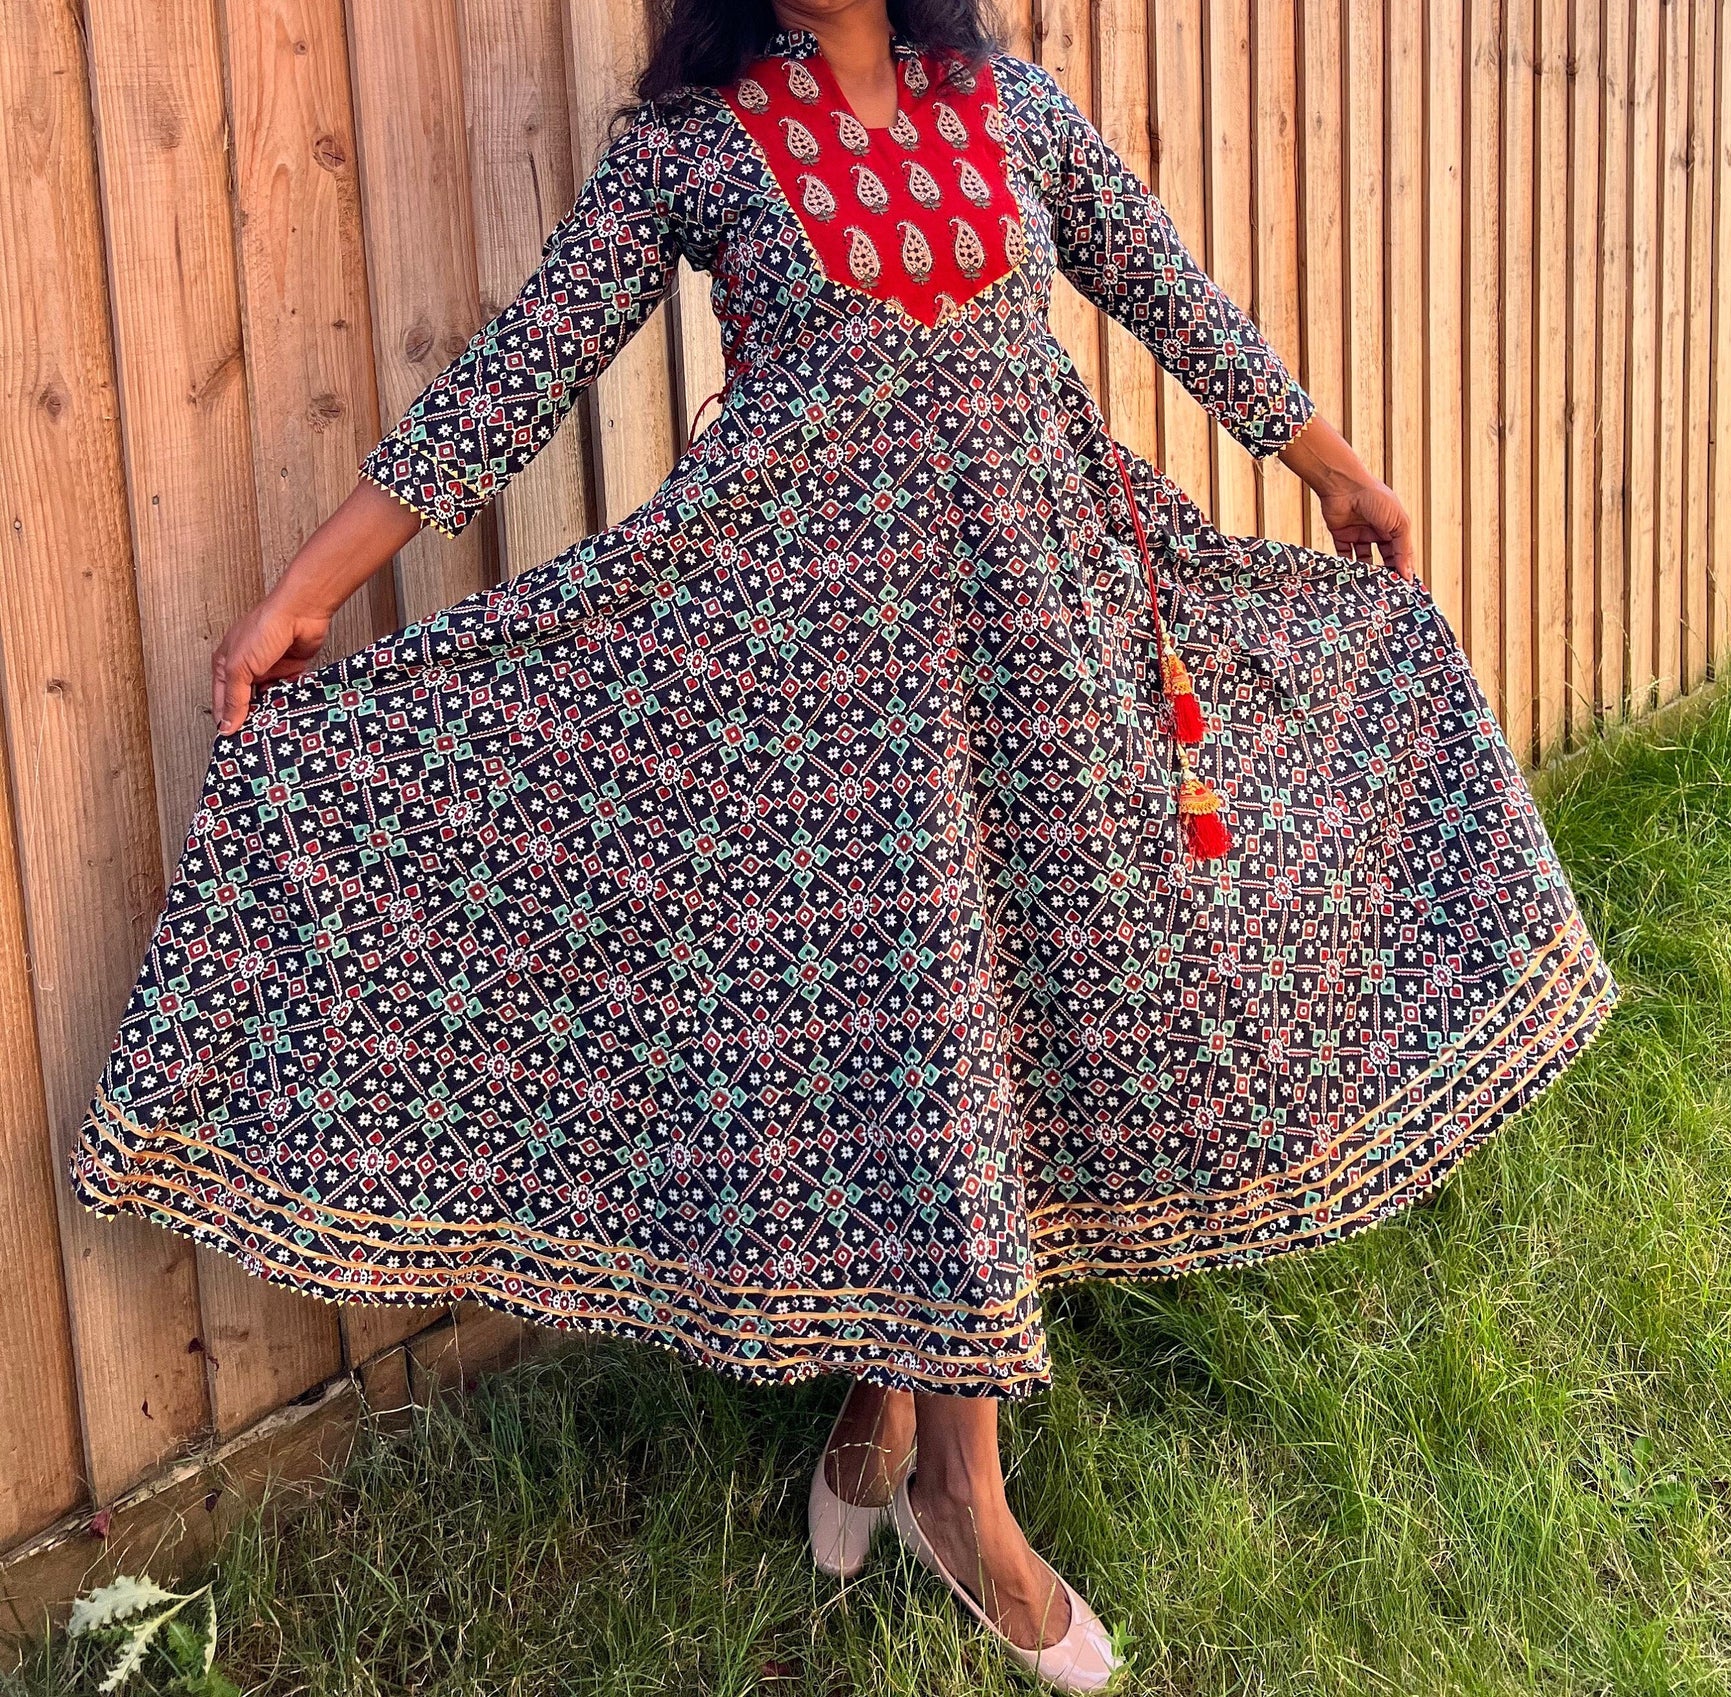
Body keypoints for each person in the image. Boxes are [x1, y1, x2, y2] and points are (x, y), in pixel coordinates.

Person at [70, 0, 1617, 1685]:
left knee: (1002, 1010)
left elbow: (1166, 288)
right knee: (915, 1021)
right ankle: (962, 1491)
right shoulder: (695, 144)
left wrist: (1330, 467)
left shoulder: (1005, 103)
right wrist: (300, 594)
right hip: (819, 683)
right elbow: (509, 385)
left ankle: (891, 1387)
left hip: (1035, 636)